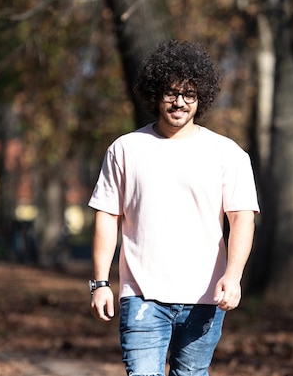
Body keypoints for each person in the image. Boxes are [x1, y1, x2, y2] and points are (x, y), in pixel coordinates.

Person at [88, 39, 260, 376]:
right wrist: (100, 283)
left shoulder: (228, 154)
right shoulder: (125, 149)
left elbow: (241, 218)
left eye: (189, 94)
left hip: (205, 298)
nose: (179, 102)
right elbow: (107, 216)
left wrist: (234, 276)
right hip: (142, 296)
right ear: (155, 94)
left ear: (201, 97)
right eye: (171, 92)